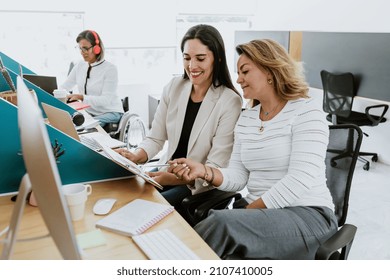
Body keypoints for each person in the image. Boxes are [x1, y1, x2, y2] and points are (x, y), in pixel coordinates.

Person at [168, 39, 338, 260]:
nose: (238, 79)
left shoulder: (307, 111)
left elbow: (299, 178)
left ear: (269, 70)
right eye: (238, 72)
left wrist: (246, 213)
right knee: (222, 233)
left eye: (245, 71)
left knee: (222, 223)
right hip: (262, 214)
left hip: (308, 215)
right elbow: (238, 177)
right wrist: (203, 171)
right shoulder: (246, 118)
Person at [115, 24, 242, 216]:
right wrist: (136, 156)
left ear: (217, 58)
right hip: (166, 171)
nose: (192, 66)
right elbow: (156, 138)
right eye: (187, 58)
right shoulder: (174, 87)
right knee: (123, 195)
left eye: (200, 58)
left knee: (143, 210)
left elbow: (215, 166)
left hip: (196, 186)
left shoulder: (229, 101)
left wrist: (171, 179)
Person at [61, 30, 124, 127]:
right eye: (80, 48)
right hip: (89, 112)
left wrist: (81, 97)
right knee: (67, 123)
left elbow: (105, 100)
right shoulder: (79, 66)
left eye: (85, 49)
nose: (82, 53)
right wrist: (59, 93)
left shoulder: (110, 69)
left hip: (110, 112)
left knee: (84, 126)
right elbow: (65, 86)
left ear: (97, 49)